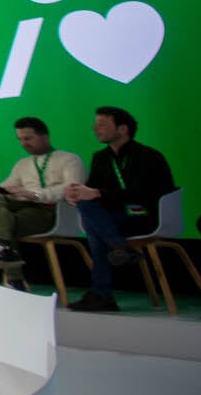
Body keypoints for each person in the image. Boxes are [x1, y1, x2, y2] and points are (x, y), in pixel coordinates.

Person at [66, 107, 176, 313]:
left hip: (145, 215)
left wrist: (97, 193)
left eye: (102, 125)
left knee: (95, 227)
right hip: (114, 219)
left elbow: (143, 193)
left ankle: (103, 293)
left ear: (123, 129)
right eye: (95, 124)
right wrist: (77, 193)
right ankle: (119, 247)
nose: (95, 129)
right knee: (87, 207)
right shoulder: (101, 157)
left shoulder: (148, 156)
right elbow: (92, 191)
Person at [0, 117, 86, 264]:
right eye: (20, 139)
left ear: (45, 136)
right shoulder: (22, 164)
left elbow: (72, 188)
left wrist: (35, 194)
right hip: (25, 208)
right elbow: (9, 185)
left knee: (1, 225)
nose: (24, 143)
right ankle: (4, 247)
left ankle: (12, 273)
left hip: (53, 212)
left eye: (28, 138)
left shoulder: (70, 159)